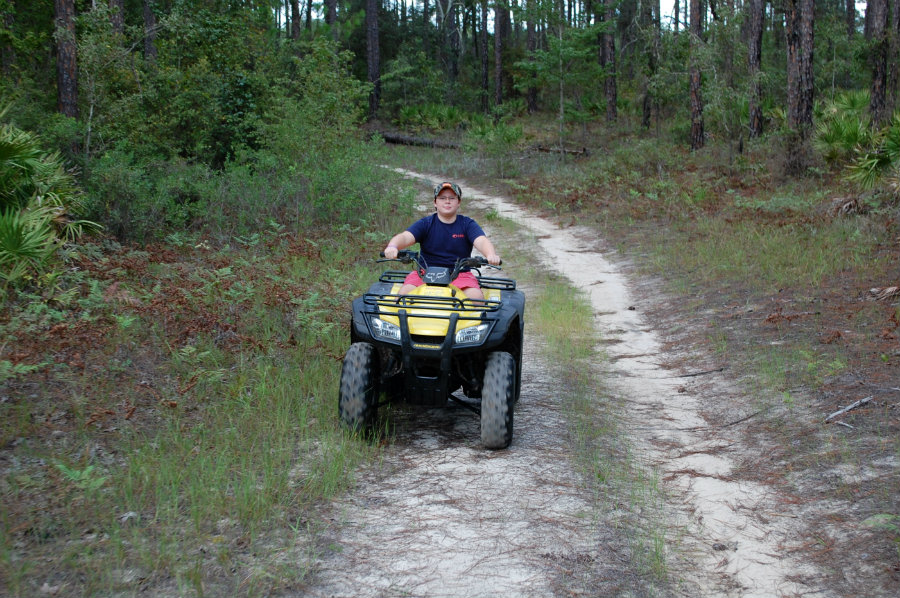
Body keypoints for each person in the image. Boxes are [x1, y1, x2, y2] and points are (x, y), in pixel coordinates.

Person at [383, 181, 501, 301]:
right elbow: (405, 237)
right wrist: (393, 246)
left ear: (458, 202)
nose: (447, 201)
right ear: (435, 202)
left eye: (452, 198)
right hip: (424, 273)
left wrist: (490, 254)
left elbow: (481, 241)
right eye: (442, 198)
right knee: (403, 297)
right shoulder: (426, 224)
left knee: (476, 299)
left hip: (460, 275)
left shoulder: (467, 224)